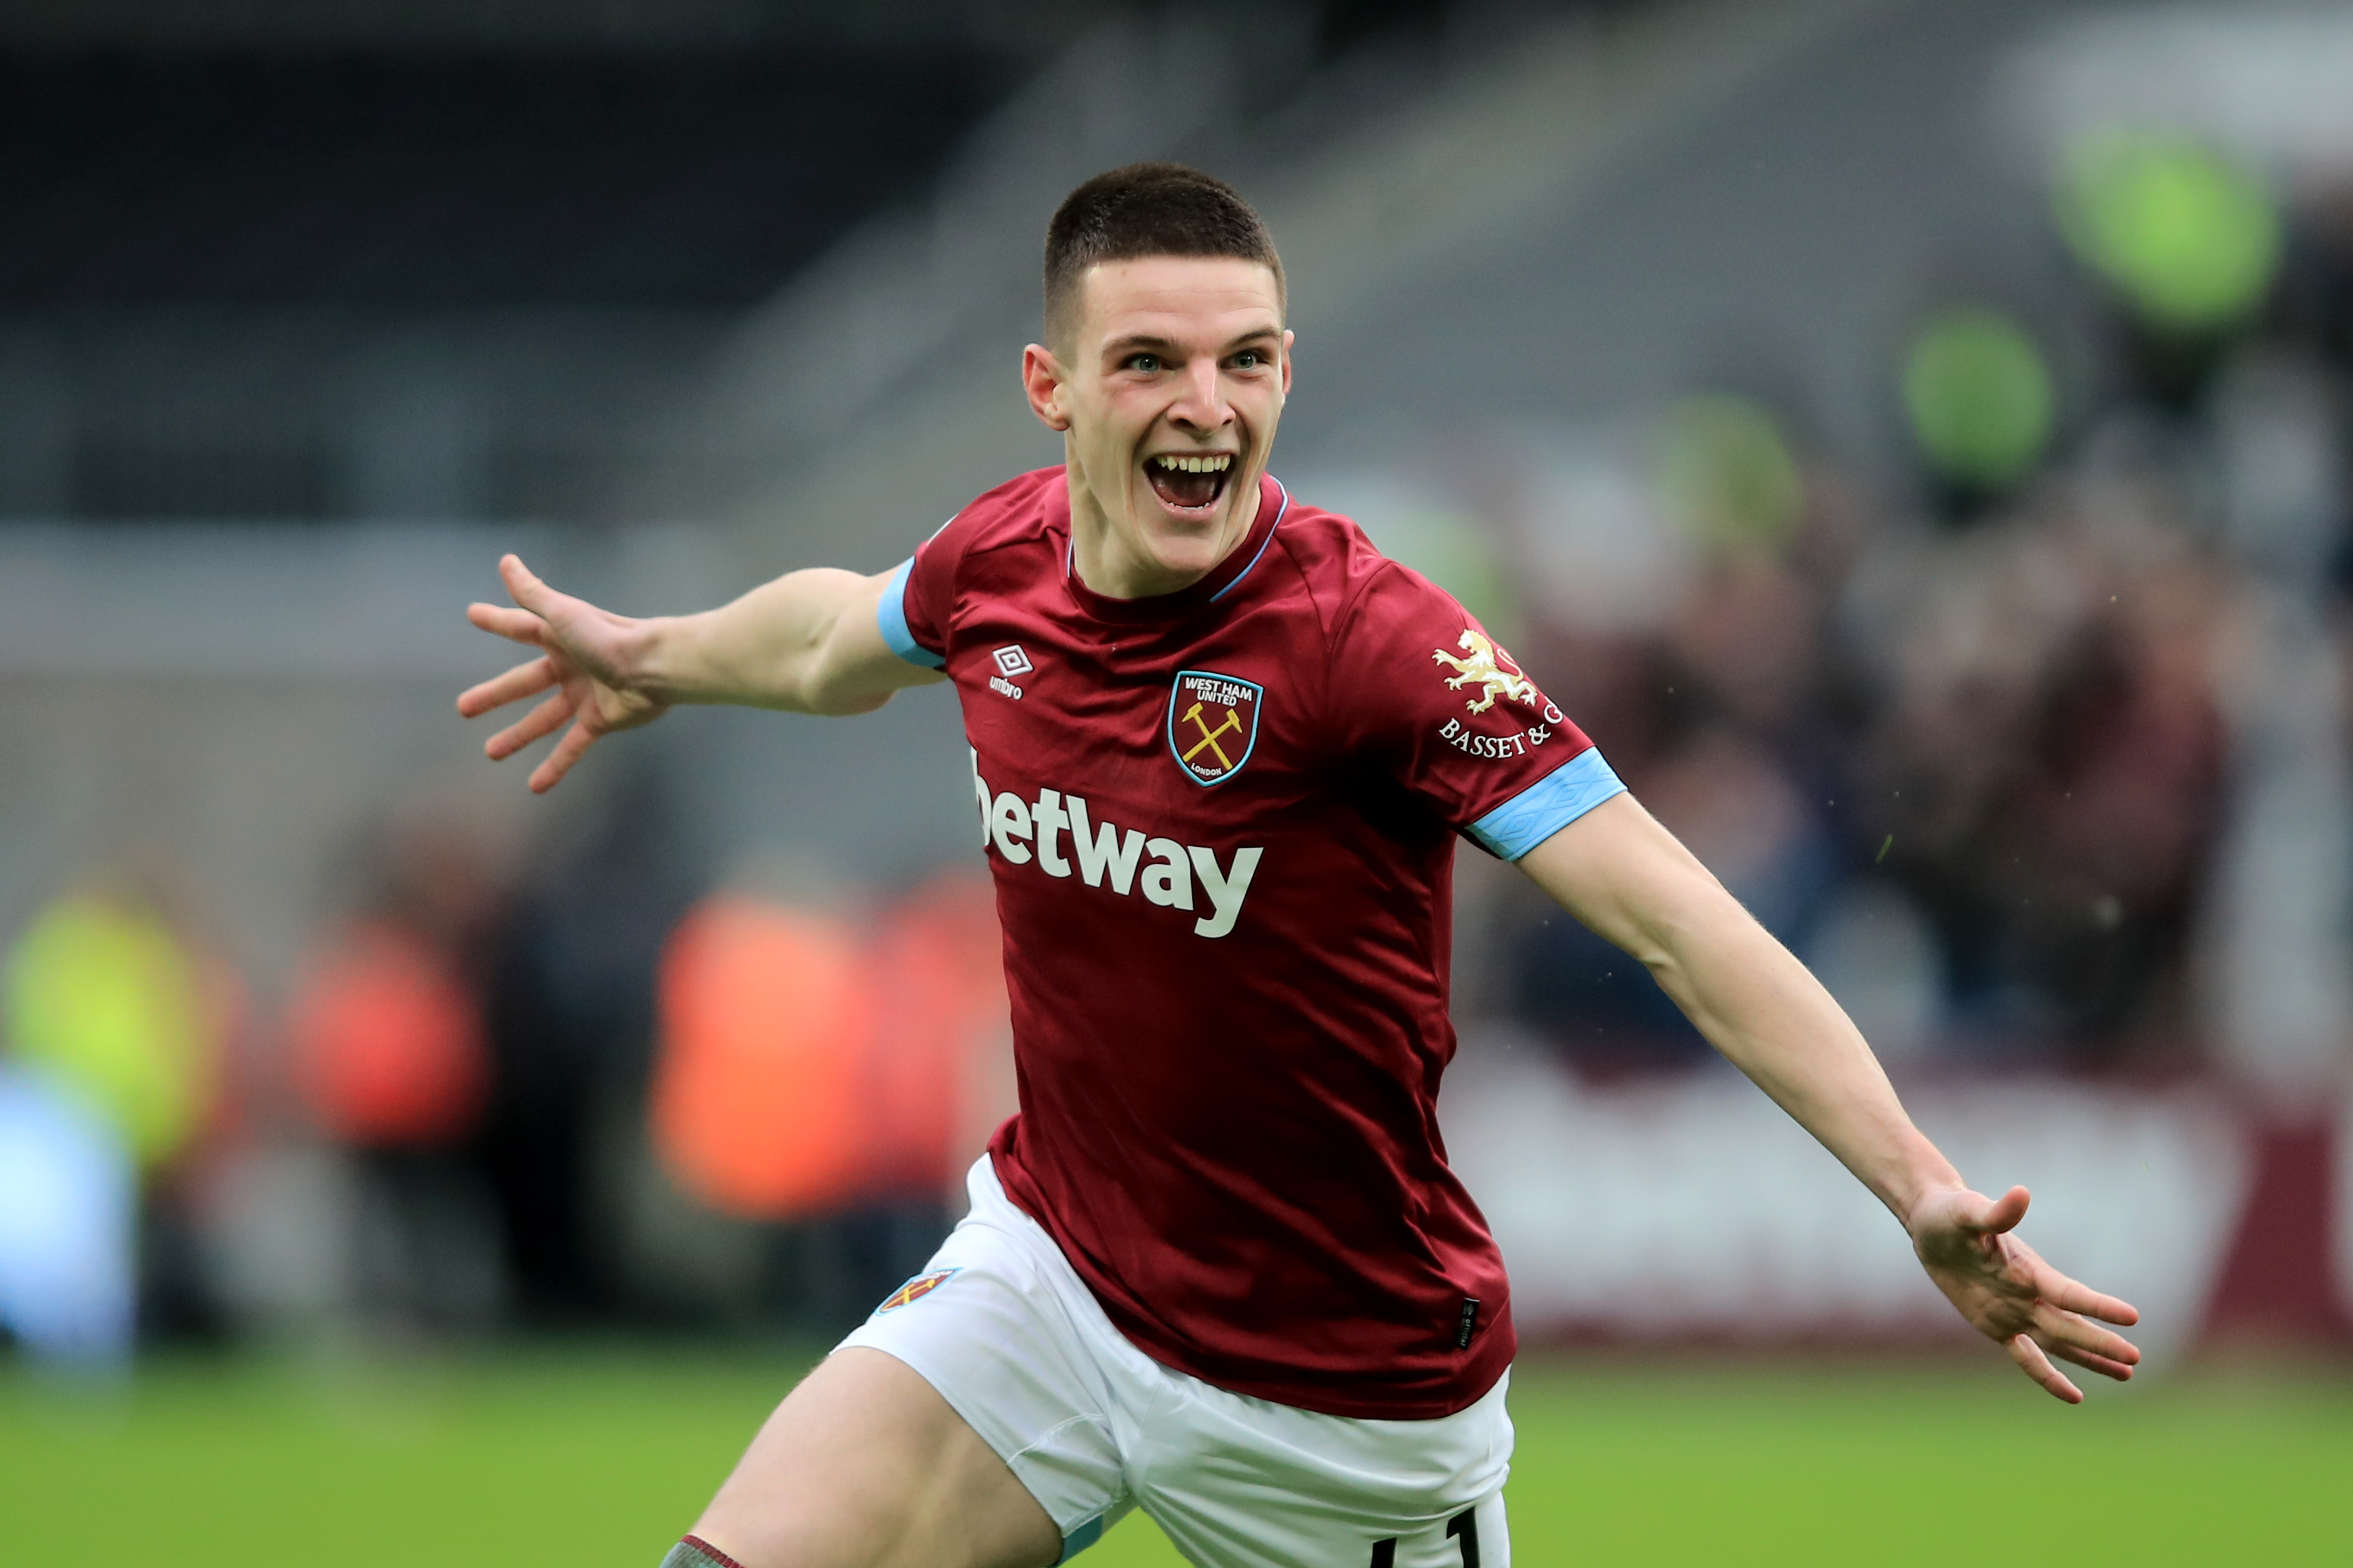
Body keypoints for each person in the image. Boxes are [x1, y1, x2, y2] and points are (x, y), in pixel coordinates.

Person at [459, 165, 2141, 1568]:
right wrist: (660, 654)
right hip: (1055, 1278)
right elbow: (839, 633)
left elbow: (1677, 914)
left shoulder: (1370, 643)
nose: (1209, 407)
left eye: (1248, 361)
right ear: (1051, 390)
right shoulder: (1002, 560)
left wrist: (1917, 1183)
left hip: (1336, 1401)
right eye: (1151, 363)